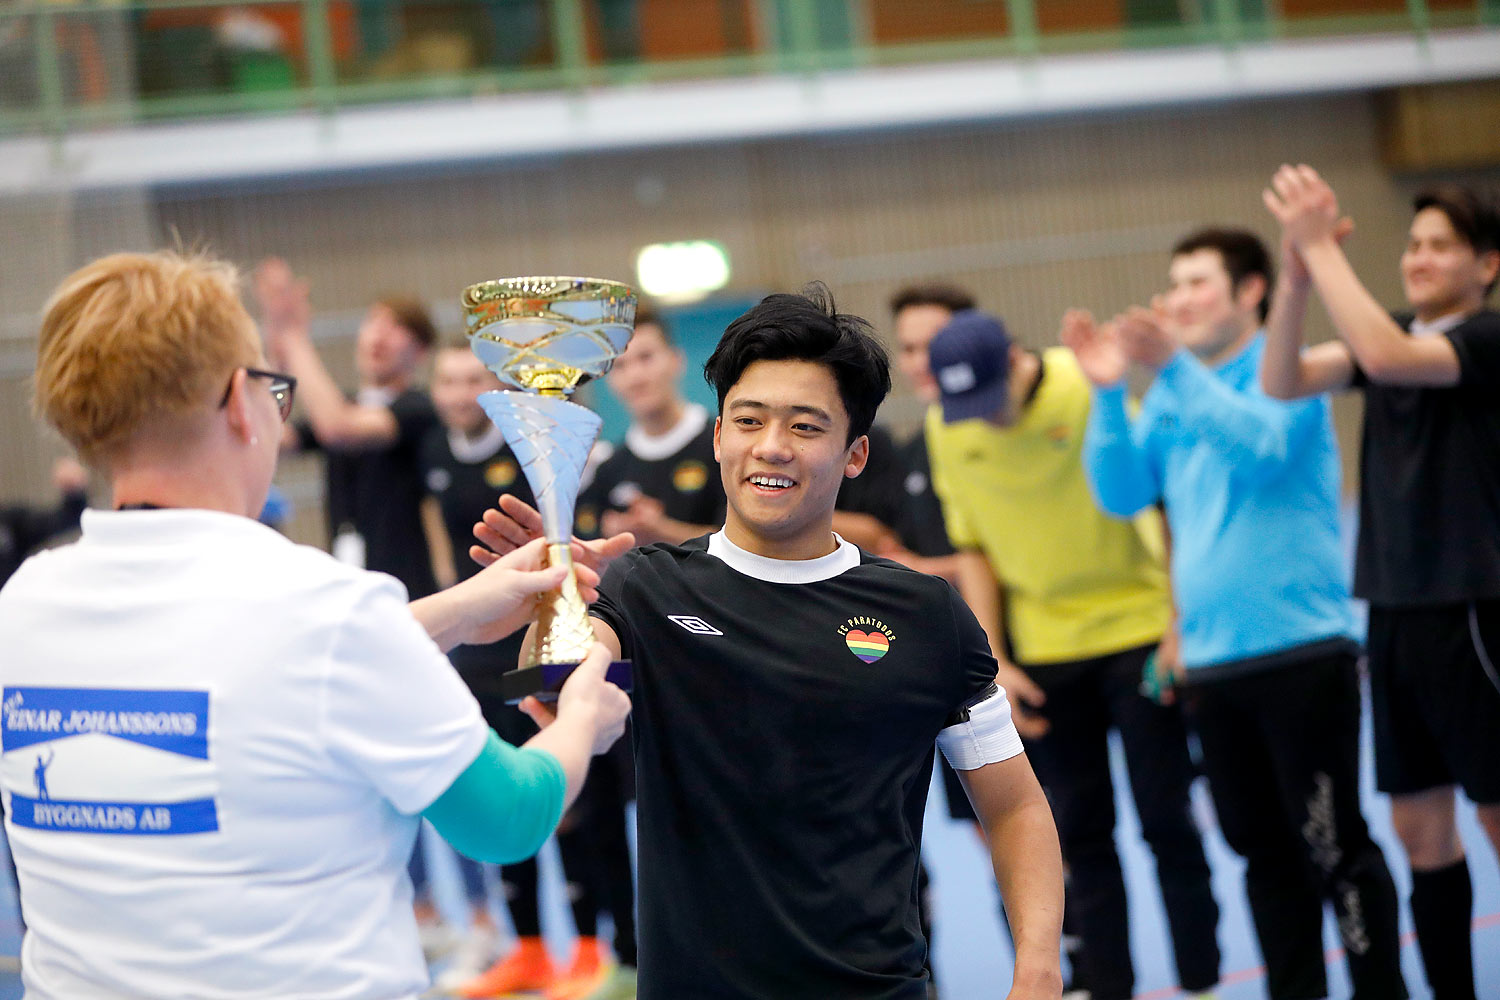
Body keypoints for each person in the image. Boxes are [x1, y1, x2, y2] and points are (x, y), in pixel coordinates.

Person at [1, 249, 630, 1000]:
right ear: (242, 401)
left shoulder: (24, 604)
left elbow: (245, 661)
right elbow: (509, 816)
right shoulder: (326, 610)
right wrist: (586, 712)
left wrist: (461, 607)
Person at [475, 285, 1065, 1000]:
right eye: (748, 420)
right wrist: (554, 595)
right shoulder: (644, 589)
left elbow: (1014, 805)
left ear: (855, 454)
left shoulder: (925, 613)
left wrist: (1038, 966)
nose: (772, 447)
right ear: (720, 434)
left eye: (807, 427)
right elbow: (557, 684)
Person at [1065, 226, 1407, 1000]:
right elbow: (1120, 495)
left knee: (1333, 846)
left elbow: (1260, 450)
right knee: (1262, 856)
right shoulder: (1175, 392)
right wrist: (1111, 392)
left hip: (1301, 652)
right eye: (1174, 282)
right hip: (1216, 666)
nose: (1180, 297)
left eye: (1199, 283)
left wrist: (1173, 370)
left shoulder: (1287, 375)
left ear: (1252, 290)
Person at [925, 309, 1220, 1000]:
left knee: (1166, 819)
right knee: (1081, 835)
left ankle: (1202, 981)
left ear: (1017, 361)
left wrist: (1179, 619)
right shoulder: (949, 425)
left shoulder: (1087, 385)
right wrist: (994, 657)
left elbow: (1167, 499)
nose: (981, 418)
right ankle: (1108, 987)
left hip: (1138, 631)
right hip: (1046, 652)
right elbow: (974, 550)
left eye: (988, 398)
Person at [1261, 167, 1500, 1000]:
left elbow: (1390, 357)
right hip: (1395, 613)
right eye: (1415, 243)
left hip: (1476, 609)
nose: (1420, 257)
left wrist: (1324, 245)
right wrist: (1295, 280)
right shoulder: (1388, 334)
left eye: (1442, 245)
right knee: (1418, 826)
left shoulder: (1485, 340)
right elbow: (1282, 379)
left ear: (1489, 265)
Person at [422, 343, 633, 1000]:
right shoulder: (436, 461)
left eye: (472, 378)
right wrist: (457, 612)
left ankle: (607, 951)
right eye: (447, 380)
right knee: (515, 803)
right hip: (484, 647)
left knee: (585, 814)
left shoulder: (544, 458)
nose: (459, 393)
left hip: (558, 638)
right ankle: (533, 950)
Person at [253, 258, 453, 948]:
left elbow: (337, 426)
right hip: (343, 591)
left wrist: (297, 336)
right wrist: (276, 347)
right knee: (368, 763)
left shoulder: (413, 409)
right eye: (374, 321)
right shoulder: (337, 399)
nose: (378, 335)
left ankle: (478, 915)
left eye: (398, 330)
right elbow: (279, 434)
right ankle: (415, 906)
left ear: (417, 353)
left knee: (428, 753)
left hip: (408, 605)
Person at [576, 308, 725, 546]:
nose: (635, 376)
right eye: (621, 365)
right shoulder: (608, 470)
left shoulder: (723, 445)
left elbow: (748, 546)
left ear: (677, 360)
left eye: (646, 357)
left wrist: (662, 530)